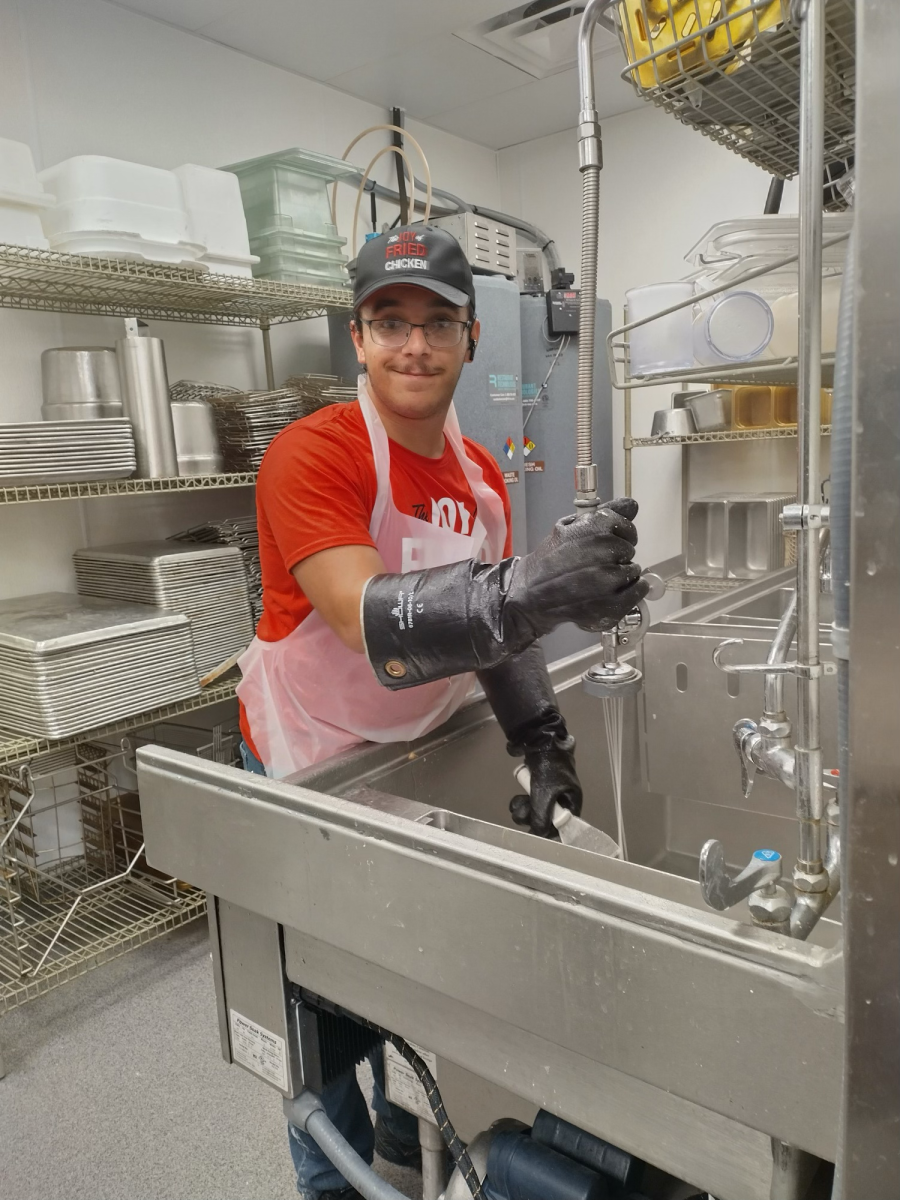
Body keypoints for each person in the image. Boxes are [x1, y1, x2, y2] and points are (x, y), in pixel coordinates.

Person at [236, 225, 648, 1200]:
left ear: (468, 337)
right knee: (322, 1016)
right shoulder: (311, 456)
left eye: (434, 324)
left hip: (408, 753)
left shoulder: (480, 481)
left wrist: (541, 743)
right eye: (389, 323)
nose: (412, 346)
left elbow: (492, 637)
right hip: (305, 765)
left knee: (401, 967)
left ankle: (400, 1135)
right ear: (359, 337)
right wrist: (532, 586)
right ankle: (330, 1181)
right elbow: (361, 613)